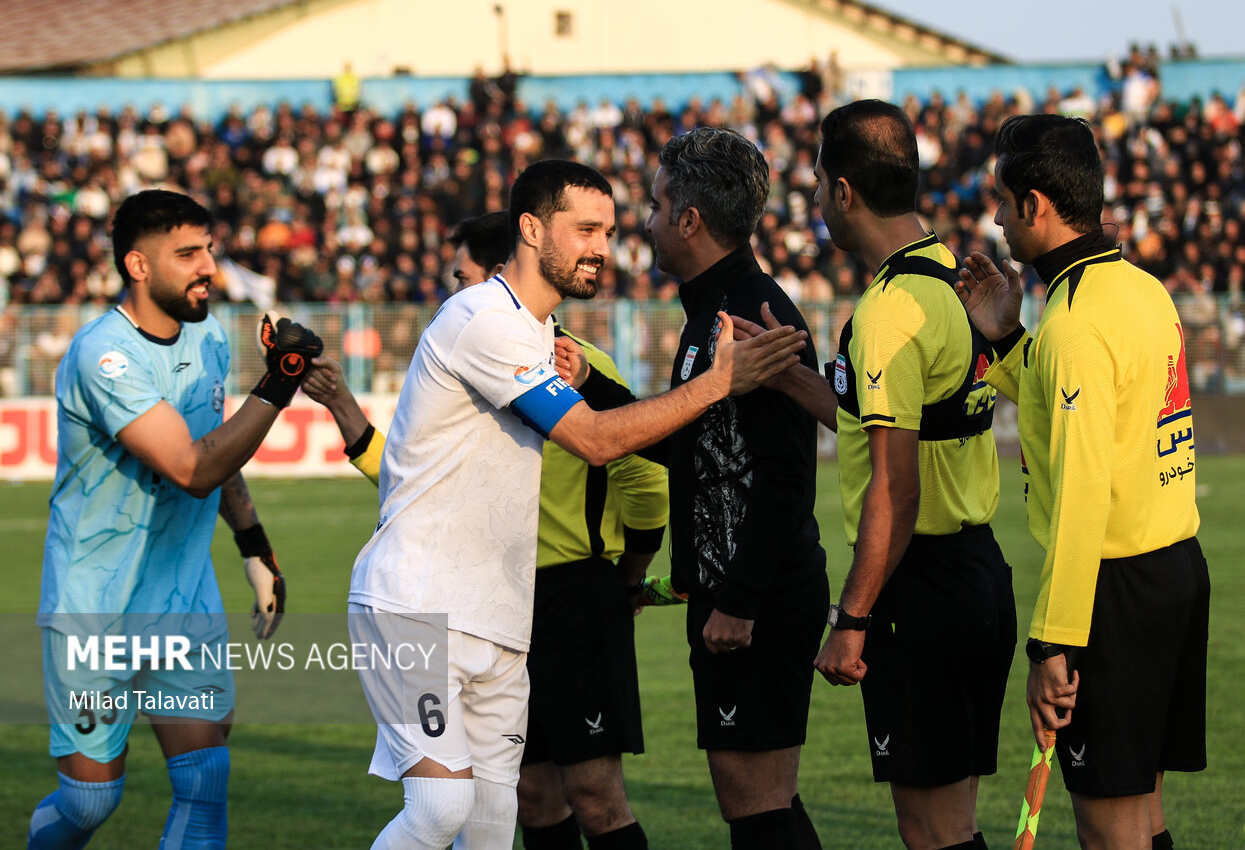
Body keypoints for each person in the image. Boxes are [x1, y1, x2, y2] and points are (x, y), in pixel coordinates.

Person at [341, 159, 805, 850]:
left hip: (500, 615)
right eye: (585, 228)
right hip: (419, 603)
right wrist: (717, 384)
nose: (603, 246)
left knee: (495, 828)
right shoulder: (481, 318)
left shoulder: (540, 337)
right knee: (439, 808)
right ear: (530, 229)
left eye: (611, 231)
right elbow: (590, 440)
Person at [304, 210, 672, 850]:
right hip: (470, 597)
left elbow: (637, 474)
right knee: (496, 803)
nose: (457, 290)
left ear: (504, 264)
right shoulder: (473, 332)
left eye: (462, 274)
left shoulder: (569, 362)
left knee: (581, 794)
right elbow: (414, 481)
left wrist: (629, 575)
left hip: (565, 597)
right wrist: (341, 406)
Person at [741, 100, 1015, 849]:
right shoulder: (953, 280)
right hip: (978, 571)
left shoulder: (889, 308)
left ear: (843, 192)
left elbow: (896, 487)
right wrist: (790, 375)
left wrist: (851, 619)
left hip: (920, 584)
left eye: (822, 184)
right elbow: (889, 423)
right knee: (954, 824)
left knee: (930, 831)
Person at [29, 189, 323, 849]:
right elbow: (190, 465)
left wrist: (253, 543)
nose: (207, 268)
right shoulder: (104, 357)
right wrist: (280, 380)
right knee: (89, 798)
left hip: (182, 603)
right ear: (137, 265)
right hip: (95, 608)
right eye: (187, 254)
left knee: (203, 779)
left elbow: (213, 446)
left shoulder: (210, 336)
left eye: (209, 252)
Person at [956, 114, 1208, 850]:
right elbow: (1088, 409)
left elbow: (1082, 499)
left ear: (1037, 205)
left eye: (1004, 201)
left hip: (1114, 590)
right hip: (1174, 573)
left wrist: (1053, 645)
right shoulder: (1138, 288)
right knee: (1144, 816)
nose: (997, 219)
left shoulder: (1073, 322)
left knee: (1110, 831)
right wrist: (1006, 337)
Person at [639, 126, 830, 850]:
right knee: (754, 799)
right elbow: (698, 450)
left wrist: (740, 600)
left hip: (757, 599)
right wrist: (599, 393)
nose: (649, 221)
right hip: (735, 594)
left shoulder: (756, 313)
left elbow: (786, 477)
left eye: (658, 205)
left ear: (690, 219)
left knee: (757, 803)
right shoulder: (706, 309)